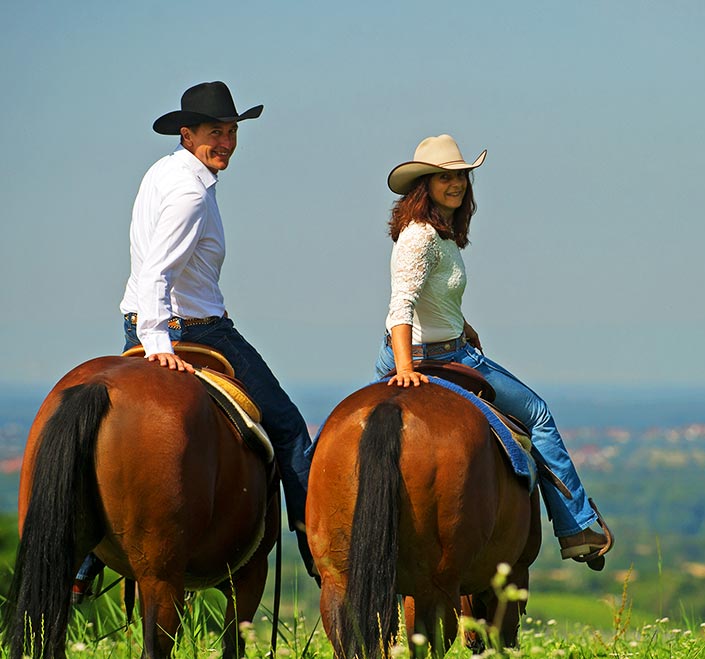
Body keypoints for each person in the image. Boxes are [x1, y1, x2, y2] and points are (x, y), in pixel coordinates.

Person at [73, 81, 316, 601]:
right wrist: (160, 343)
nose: (225, 142)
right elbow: (159, 269)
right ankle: (322, 548)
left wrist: (145, 332)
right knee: (291, 429)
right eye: (214, 132)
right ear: (187, 134)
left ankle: (88, 559)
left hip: (135, 321)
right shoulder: (191, 192)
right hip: (196, 330)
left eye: (231, 132)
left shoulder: (164, 172)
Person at [375, 134, 613, 569]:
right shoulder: (421, 237)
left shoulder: (439, 236)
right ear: (423, 184)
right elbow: (401, 304)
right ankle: (577, 526)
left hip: (444, 346)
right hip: (438, 359)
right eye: (445, 177)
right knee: (537, 413)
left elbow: (430, 298)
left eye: (461, 177)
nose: (456, 184)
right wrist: (408, 368)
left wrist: (461, 323)